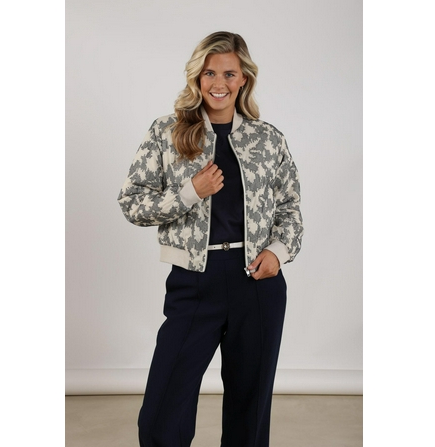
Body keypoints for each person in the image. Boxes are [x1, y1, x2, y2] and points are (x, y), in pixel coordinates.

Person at [118, 31, 303, 447]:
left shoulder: (267, 138)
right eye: (209, 73)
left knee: (249, 411)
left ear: (243, 79)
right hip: (194, 281)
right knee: (163, 412)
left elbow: (290, 208)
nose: (219, 83)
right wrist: (190, 192)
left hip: (257, 282)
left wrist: (277, 253)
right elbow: (132, 203)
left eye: (229, 73)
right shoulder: (167, 132)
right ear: (197, 77)